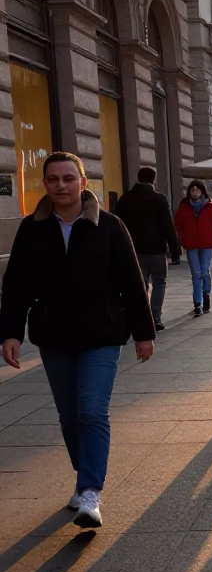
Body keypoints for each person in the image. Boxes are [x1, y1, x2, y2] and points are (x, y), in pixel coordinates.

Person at [0, 152, 154, 528]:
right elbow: (16, 285)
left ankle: (89, 491)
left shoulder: (109, 226)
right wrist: (10, 332)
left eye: (68, 179)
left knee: (91, 409)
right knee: (69, 415)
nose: (61, 186)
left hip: (101, 333)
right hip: (54, 335)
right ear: (45, 185)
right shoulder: (32, 228)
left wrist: (143, 332)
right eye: (53, 179)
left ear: (83, 184)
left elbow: (132, 281)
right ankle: (84, 476)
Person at [114, 166, 180, 332]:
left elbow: (118, 226)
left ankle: (139, 317)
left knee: (138, 285)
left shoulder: (125, 199)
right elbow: (168, 226)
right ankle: (155, 317)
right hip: (156, 249)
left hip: (133, 250)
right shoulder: (160, 199)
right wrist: (175, 249)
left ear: (138, 178)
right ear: (154, 180)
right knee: (159, 282)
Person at [174, 181, 212, 316]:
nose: (195, 190)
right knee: (196, 274)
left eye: (197, 188)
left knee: (204, 272)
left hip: (207, 246)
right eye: (192, 188)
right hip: (191, 247)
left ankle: (206, 293)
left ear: (202, 191)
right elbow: (177, 225)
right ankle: (198, 302)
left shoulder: (209, 207)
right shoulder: (184, 208)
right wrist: (182, 239)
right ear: (189, 191)